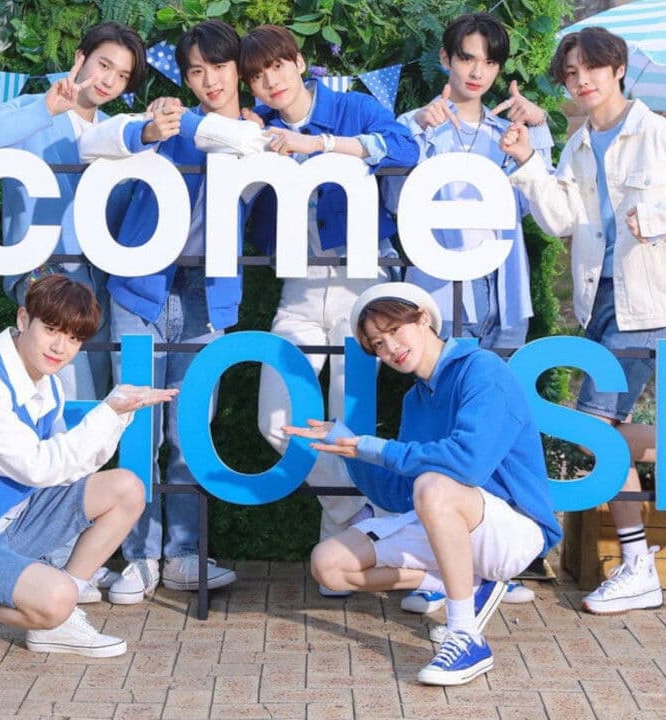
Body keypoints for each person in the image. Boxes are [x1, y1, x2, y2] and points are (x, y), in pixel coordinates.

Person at [501, 26, 666, 615]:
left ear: (617, 68)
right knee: (602, 431)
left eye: (591, 68)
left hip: (644, 300)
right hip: (599, 300)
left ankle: (641, 561)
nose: (581, 81)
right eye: (571, 74)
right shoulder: (579, 143)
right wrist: (527, 164)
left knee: (593, 429)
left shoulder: (657, 133)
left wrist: (664, 217)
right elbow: (561, 219)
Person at [77, 20, 270, 602]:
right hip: (141, 287)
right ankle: (139, 555)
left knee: (190, 432)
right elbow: (92, 143)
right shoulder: (165, 124)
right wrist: (145, 127)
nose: (210, 81)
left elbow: (245, 144)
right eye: (196, 71)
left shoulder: (253, 131)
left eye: (219, 67)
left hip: (207, 296)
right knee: (137, 428)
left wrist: (189, 122)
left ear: (239, 70)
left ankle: (184, 553)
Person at [285, 282, 560, 686]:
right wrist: (351, 450)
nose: (390, 348)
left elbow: (467, 465)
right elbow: (400, 494)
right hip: (449, 521)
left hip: (513, 530)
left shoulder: (483, 370)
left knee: (434, 486)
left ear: (424, 318)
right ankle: (467, 582)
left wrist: (375, 447)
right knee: (328, 565)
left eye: (394, 330)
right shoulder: (416, 399)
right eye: (378, 344)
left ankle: (466, 635)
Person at [0, 275, 176, 667]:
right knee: (56, 598)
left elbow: (67, 471)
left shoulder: (47, 384)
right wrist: (108, 412)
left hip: (12, 522)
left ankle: (57, 624)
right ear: (22, 319)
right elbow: (39, 466)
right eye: (51, 330)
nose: (60, 348)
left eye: (74, 338)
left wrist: (116, 415)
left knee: (127, 489)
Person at [239, 26, 419, 580]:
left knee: (349, 416)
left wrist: (321, 147)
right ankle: (362, 517)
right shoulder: (256, 127)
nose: (271, 81)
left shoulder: (352, 108)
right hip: (297, 288)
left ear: (299, 62)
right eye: (257, 76)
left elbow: (407, 148)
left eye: (277, 66)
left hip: (360, 284)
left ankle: (340, 553)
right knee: (275, 419)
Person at [386, 11, 550, 613]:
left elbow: (539, 206)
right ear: (446, 59)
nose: (478, 71)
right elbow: (392, 204)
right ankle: (438, 566)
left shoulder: (514, 132)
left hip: (498, 291)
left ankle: (494, 562)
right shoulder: (413, 125)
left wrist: (533, 141)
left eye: (490, 61)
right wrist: (415, 137)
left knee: (494, 428)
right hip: (435, 294)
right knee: (438, 427)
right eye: (467, 57)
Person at [0, 21, 147, 403]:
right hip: (42, 274)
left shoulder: (117, 131)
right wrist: (44, 109)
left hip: (99, 283)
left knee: (95, 400)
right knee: (72, 394)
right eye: (104, 65)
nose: (109, 81)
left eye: (123, 76)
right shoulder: (31, 108)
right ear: (80, 58)